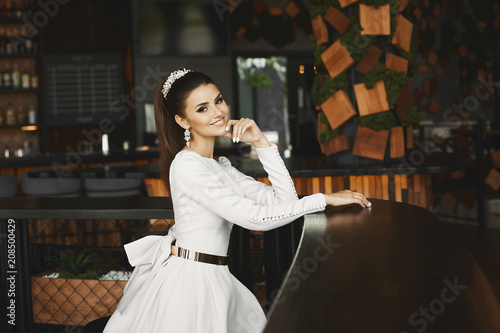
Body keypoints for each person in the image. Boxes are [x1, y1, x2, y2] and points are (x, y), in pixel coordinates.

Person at [103, 69, 371, 333]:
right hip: (191, 282)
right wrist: (323, 199)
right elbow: (254, 218)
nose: (218, 112)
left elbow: (283, 201)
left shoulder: (220, 167)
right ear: (183, 121)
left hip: (216, 276)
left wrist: (261, 143)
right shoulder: (186, 165)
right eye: (202, 108)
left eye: (218, 101)